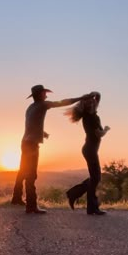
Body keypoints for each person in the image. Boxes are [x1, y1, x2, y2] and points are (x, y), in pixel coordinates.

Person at [11, 84, 91, 214]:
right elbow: (62, 103)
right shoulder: (42, 105)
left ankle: (16, 198)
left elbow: (31, 124)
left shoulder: (30, 107)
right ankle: (31, 206)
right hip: (31, 144)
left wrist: (42, 133)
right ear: (40, 95)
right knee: (31, 175)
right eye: (44, 93)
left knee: (23, 171)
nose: (46, 95)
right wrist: (81, 98)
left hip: (25, 142)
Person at [65, 92, 110, 215]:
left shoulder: (89, 114)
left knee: (95, 177)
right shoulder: (92, 118)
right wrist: (106, 129)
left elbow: (98, 96)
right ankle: (90, 206)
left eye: (93, 101)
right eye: (90, 101)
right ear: (87, 105)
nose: (93, 102)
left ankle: (76, 196)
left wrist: (94, 94)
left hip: (89, 149)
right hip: (90, 150)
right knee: (96, 178)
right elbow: (99, 134)